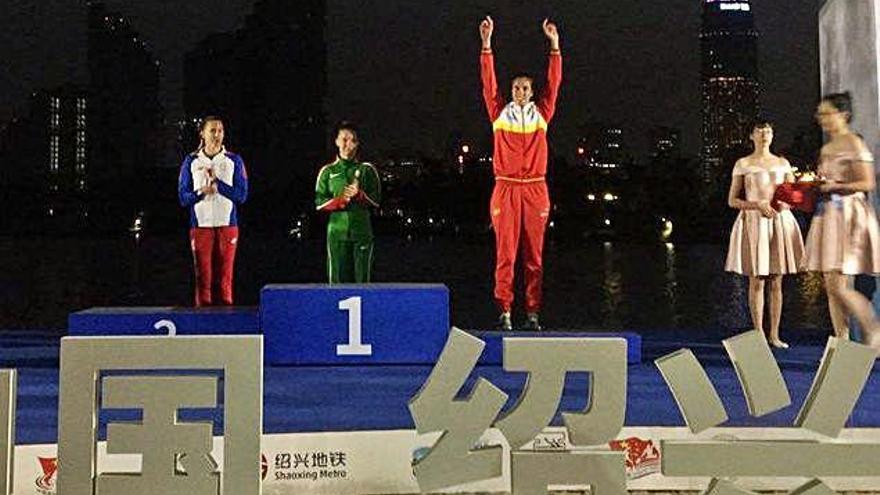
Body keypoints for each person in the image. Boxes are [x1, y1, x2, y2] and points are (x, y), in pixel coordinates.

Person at [479, 16, 562, 331]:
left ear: (532, 91)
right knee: (506, 254)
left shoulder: (542, 114)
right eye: (516, 87)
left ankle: (532, 313)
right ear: (511, 91)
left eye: (526, 88)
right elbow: (488, 82)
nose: (521, 92)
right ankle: (505, 312)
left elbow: (554, 83)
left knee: (534, 257)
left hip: (536, 189)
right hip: (506, 188)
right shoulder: (499, 113)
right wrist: (487, 43)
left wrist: (554, 45)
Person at [803, 92, 880, 349]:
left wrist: (836, 185)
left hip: (848, 213)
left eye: (826, 113)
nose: (821, 119)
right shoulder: (827, 148)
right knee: (831, 283)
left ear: (843, 114)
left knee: (838, 286)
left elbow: (867, 182)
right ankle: (841, 342)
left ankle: (872, 327)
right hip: (828, 215)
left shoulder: (854, 144)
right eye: (819, 114)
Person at [725, 120, 804, 348]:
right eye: (759, 130)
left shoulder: (782, 163)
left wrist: (785, 202)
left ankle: (775, 335)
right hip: (754, 222)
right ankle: (758, 334)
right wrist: (757, 205)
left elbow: (794, 197)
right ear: (751, 136)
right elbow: (732, 200)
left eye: (768, 130)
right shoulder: (743, 163)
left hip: (779, 221)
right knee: (757, 280)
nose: (764, 134)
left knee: (777, 280)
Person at [178, 116, 248, 306]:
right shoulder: (191, 160)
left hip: (228, 225)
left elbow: (242, 195)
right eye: (212, 130)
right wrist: (201, 192)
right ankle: (202, 322)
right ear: (202, 133)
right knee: (203, 277)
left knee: (225, 277)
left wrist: (219, 184)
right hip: (201, 226)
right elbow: (183, 197)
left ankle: (226, 321)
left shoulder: (234, 160)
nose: (217, 135)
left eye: (220, 131)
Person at [315, 122, 381, 283]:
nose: (348, 145)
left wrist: (359, 195)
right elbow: (319, 203)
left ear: (357, 144)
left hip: (361, 232)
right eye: (344, 139)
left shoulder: (367, 169)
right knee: (336, 281)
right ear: (336, 141)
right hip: (336, 234)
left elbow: (377, 201)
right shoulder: (328, 171)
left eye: (352, 140)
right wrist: (340, 201)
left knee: (362, 281)